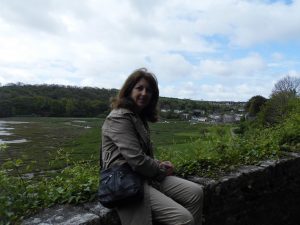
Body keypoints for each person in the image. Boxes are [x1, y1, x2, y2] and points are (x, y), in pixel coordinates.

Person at [100, 68, 204, 225]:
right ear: (129, 90)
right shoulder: (119, 117)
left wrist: (158, 164)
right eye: (139, 88)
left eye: (149, 90)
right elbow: (137, 160)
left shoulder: (138, 116)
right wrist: (161, 169)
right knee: (184, 219)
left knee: (196, 192)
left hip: (143, 175)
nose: (144, 93)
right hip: (126, 179)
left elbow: (140, 156)